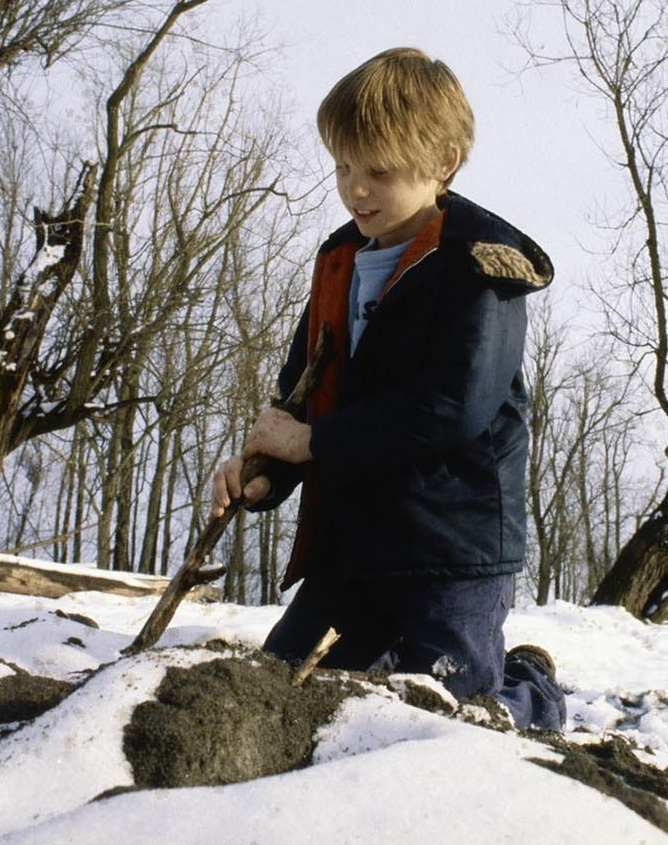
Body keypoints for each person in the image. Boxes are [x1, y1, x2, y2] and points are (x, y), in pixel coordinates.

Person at [209, 47, 565, 730]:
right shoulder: (340, 258)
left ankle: (532, 692)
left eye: (379, 171)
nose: (356, 189)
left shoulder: (480, 268)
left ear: (443, 164)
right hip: (354, 542)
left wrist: (311, 442)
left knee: (448, 716)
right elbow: (305, 389)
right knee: (283, 693)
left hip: (450, 546)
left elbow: (450, 408)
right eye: (343, 166)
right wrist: (267, 474)